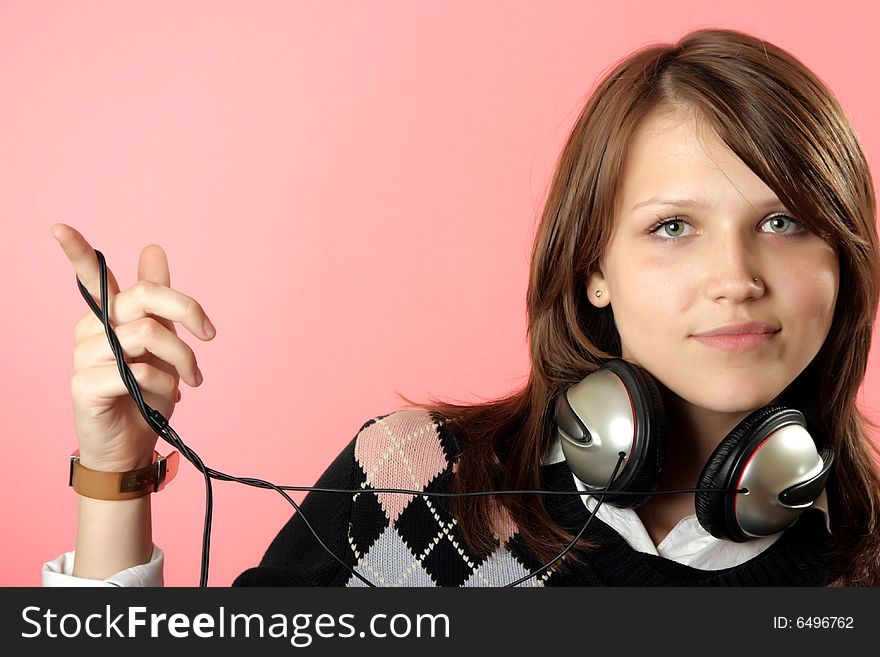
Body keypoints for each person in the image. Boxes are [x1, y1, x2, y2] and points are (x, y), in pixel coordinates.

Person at [44, 27, 880, 587]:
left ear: (843, 256)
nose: (735, 276)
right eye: (671, 227)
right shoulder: (409, 483)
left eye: (783, 221)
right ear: (594, 269)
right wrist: (115, 473)